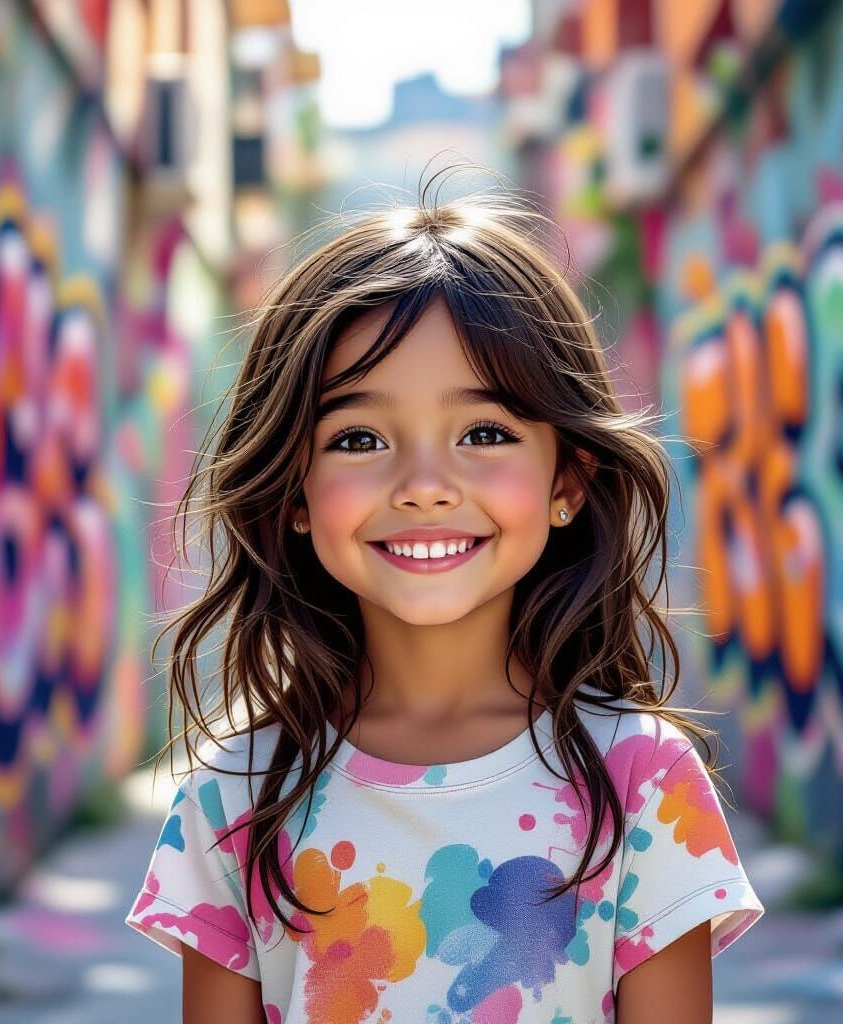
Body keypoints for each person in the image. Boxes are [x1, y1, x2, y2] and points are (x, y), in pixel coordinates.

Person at [124, 169, 764, 1024]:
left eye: (485, 433)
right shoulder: (234, 792)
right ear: (295, 496)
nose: (425, 485)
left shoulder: (644, 783)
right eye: (358, 437)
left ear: (568, 479)